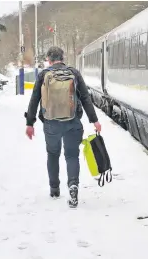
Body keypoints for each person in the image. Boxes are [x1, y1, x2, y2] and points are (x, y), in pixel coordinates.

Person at [24, 46, 101, 208]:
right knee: (72, 156)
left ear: (49, 59)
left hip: (51, 124)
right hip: (73, 122)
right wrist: (94, 120)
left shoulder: (44, 75)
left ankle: (54, 189)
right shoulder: (74, 73)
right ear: (62, 58)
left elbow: (34, 99)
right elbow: (86, 98)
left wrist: (30, 123)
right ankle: (73, 186)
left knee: (53, 154)